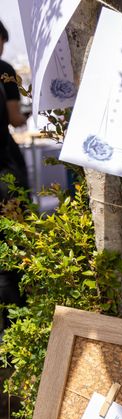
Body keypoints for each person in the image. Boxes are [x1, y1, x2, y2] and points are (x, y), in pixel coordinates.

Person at [0, 20, 28, 333]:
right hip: (5, 167)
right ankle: (15, 327)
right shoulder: (5, 70)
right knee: (12, 244)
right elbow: (15, 117)